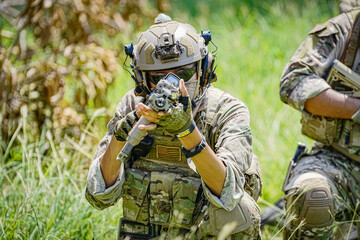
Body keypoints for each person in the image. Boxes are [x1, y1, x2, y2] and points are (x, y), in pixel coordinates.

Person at [85, 13, 262, 239]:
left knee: (239, 214)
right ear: (142, 79)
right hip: (145, 232)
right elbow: (98, 195)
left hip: (203, 233)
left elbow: (228, 193)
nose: (174, 85)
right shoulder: (133, 106)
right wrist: (120, 139)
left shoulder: (226, 110)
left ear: (203, 69)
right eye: (159, 77)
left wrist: (186, 131)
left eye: (185, 73)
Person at [279, 4, 360, 240]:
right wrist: (356, 108)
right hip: (338, 160)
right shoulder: (344, 29)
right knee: (312, 195)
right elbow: (293, 82)